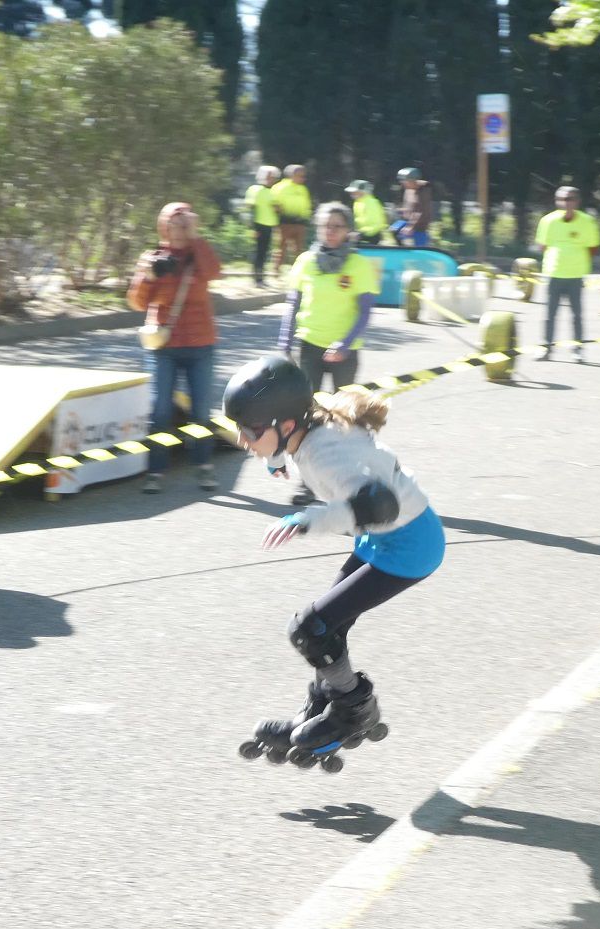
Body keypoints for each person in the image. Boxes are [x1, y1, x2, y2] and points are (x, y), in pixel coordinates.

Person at [224, 354, 445, 769]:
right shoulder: (305, 434)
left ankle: (353, 707)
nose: (242, 440)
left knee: (309, 630)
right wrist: (274, 460)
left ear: (285, 426)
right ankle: (321, 706)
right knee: (327, 626)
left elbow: (378, 505)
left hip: (408, 545)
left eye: (250, 430)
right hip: (381, 539)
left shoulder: (325, 453)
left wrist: (308, 519)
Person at [276, 202, 379, 506]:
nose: (330, 232)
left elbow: (364, 312)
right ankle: (309, 484)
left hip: (345, 351)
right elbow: (292, 303)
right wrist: (284, 342)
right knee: (307, 418)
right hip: (310, 345)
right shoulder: (306, 261)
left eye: (337, 226)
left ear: (348, 231)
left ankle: (356, 481)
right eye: (325, 226)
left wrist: (345, 344)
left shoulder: (358, 265)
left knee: (347, 419)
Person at [127, 202, 223, 495]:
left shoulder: (199, 253)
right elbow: (137, 303)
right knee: (160, 409)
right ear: (163, 227)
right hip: (164, 346)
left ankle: (203, 466)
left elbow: (214, 273)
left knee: (201, 409)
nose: (178, 230)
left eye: (184, 224)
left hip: (200, 343)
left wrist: (196, 238)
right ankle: (155, 470)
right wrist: (149, 277)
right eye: (173, 224)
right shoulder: (153, 258)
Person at [534, 186, 600, 362]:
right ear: (557, 201)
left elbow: (593, 247)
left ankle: (577, 349)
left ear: (577, 201)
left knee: (576, 315)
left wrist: (576, 259)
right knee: (550, 314)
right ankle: (546, 348)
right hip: (554, 273)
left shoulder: (587, 221)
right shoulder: (548, 221)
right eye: (562, 199)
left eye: (570, 199)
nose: (566, 203)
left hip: (575, 275)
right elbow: (543, 246)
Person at [270, 164, 313, 270]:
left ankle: (297, 270)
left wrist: (306, 218)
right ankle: (276, 270)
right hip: (285, 222)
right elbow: (273, 203)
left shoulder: (303, 189)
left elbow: (307, 205)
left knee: (298, 249)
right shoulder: (279, 187)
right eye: (300, 176)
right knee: (281, 247)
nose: (303, 178)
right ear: (291, 175)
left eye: (304, 176)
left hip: (300, 223)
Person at [245, 165, 281, 287]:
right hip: (258, 225)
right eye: (268, 176)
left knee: (264, 253)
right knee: (258, 252)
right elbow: (250, 209)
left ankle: (261, 278)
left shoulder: (273, 191)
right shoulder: (255, 189)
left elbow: (275, 208)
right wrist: (252, 227)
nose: (270, 179)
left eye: (272, 177)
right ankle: (256, 279)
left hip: (269, 225)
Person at [389, 168, 434, 247]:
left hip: (420, 225)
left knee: (420, 247)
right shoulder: (408, 189)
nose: (403, 184)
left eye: (405, 181)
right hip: (408, 221)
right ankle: (402, 249)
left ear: (413, 180)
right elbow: (409, 206)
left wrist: (411, 227)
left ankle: (422, 250)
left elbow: (420, 212)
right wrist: (401, 210)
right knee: (394, 229)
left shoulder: (423, 191)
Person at [344, 180, 387, 244]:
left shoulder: (372, 203)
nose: (351, 193)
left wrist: (361, 234)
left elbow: (377, 225)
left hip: (373, 237)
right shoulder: (357, 202)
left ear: (363, 192)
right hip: (361, 234)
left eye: (354, 191)